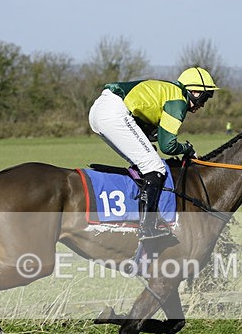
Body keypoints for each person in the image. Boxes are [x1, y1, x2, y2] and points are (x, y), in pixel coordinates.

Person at [89, 66, 219, 240]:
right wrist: (187, 149)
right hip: (114, 112)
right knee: (155, 167)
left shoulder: (170, 92)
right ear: (194, 92)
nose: (203, 104)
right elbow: (169, 146)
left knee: (145, 164)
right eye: (206, 96)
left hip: (100, 111)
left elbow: (153, 134)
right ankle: (147, 227)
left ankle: (138, 212)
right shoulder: (178, 100)